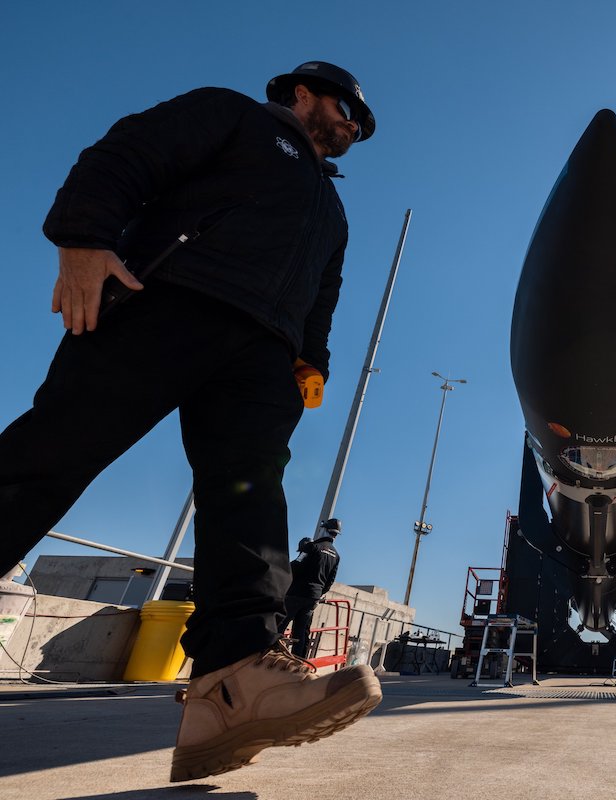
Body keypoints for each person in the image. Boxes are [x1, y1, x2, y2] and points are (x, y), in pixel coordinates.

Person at [0, 61, 382, 782]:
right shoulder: (231, 116)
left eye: (360, 124)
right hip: (163, 303)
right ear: (301, 91)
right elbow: (125, 156)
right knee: (49, 455)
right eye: (347, 109)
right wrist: (83, 239)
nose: (355, 127)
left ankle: (235, 685)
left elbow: (322, 297)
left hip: (264, 357)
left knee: (251, 506)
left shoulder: (331, 211)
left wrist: (312, 361)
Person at [278, 519, 342, 657]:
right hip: (313, 597)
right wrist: (318, 593)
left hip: (297, 593)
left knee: (279, 625)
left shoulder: (312, 547)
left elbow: (296, 566)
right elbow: (330, 581)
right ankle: (299, 661)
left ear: (323, 530)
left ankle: (268, 655)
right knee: (301, 632)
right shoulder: (336, 555)